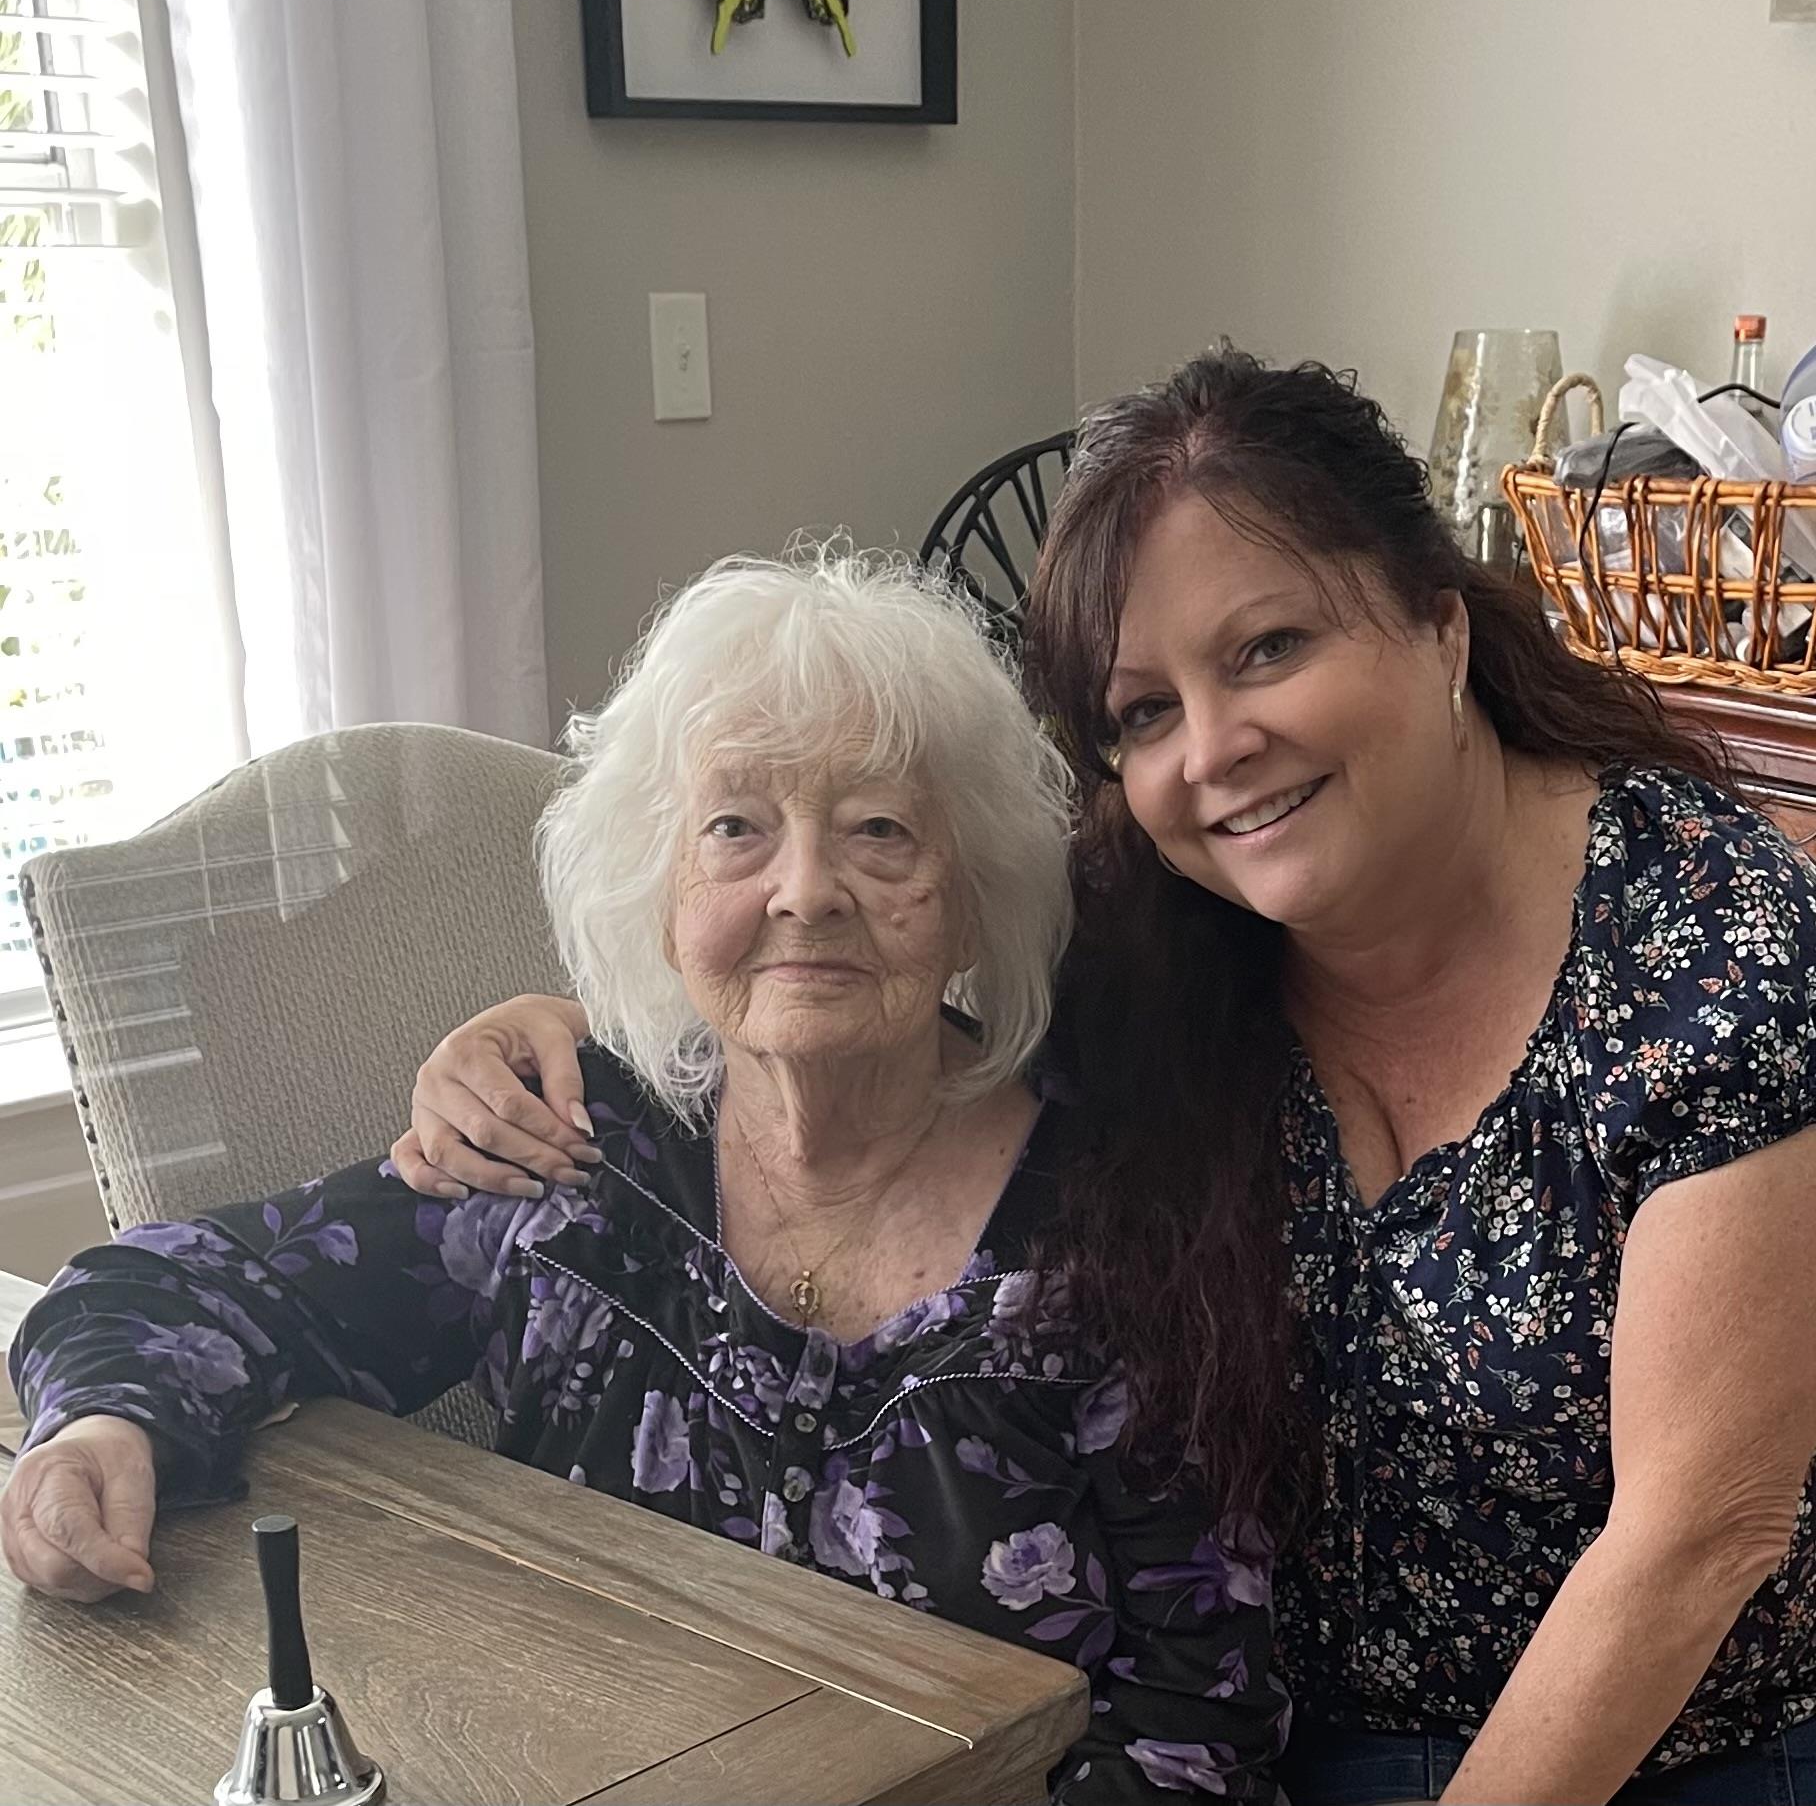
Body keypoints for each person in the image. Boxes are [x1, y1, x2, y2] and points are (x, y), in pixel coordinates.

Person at [387, 351, 1816, 1806]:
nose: (1213, 749)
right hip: (1264, 1739)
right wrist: (558, 1018)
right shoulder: (1150, 934)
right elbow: (857, 964)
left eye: (1268, 649)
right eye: (1141, 712)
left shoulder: (1704, 940)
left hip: (1675, 1747)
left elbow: (1704, 1530)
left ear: (1438, 625)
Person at [3, 549, 1290, 1805]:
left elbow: (1205, 1727)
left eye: (881, 831)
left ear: (971, 895)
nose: (806, 892)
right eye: (735, 827)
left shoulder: (1125, 1223)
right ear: (660, 891)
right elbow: (180, 1286)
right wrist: (104, 1425)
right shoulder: (571, 1146)